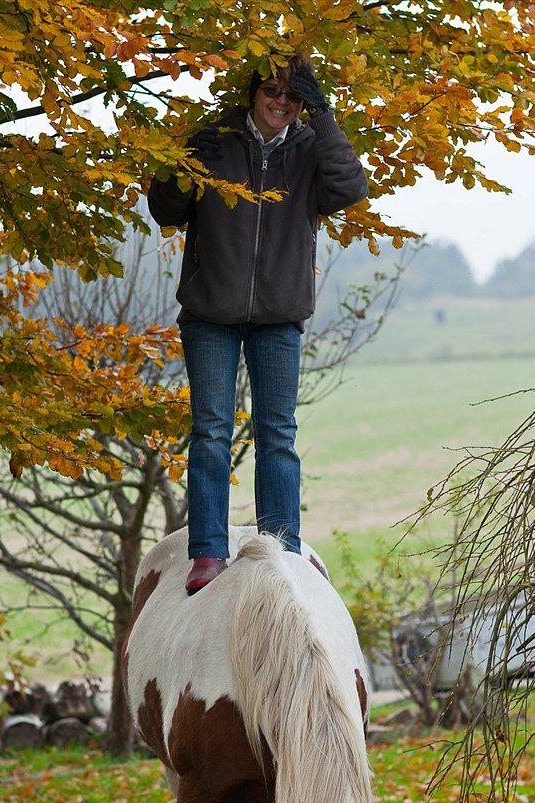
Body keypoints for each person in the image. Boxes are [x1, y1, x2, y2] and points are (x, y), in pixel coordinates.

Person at [147, 53, 369, 595]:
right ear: (253, 91)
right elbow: (166, 209)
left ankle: (282, 549)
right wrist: (181, 164)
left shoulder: (311, 149)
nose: (280, 101)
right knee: (210, 433)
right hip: (210, 312)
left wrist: (326, 117)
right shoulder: (215, 142)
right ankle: (206, 553)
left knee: (278, 436)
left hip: (279, 314)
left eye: (293, 95)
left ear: (304, 103)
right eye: (271, 89)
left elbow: (350, 189)